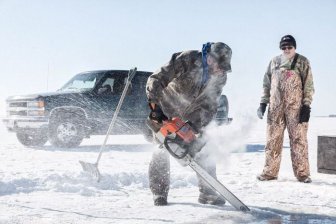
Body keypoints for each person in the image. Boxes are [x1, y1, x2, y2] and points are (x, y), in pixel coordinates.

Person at [146, 42, 232, 206]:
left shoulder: (221, 76)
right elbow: (156, 79)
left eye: (224, 67)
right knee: (161, 149)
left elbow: (211, 103)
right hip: (165, 108)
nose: (221, 70)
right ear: (210, 57)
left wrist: (197, 126)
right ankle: (159, 194)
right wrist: (154, 106)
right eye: (219, 65)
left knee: (203, 147)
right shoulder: (187, 59)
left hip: (192, 113)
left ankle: (208, 192)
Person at [257, 35, 314, 183]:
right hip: (275, 107)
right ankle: (269, 172)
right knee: (272, 139)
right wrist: (263, 103)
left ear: (294, 47)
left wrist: (306, 105)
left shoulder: (302, 61)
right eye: (284, 47)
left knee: (298, 139)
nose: (287, 49)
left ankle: (303, 174)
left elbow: (308, 84)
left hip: (296, 108)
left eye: (289, 47)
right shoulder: (274, 62)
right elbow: (266, 83)